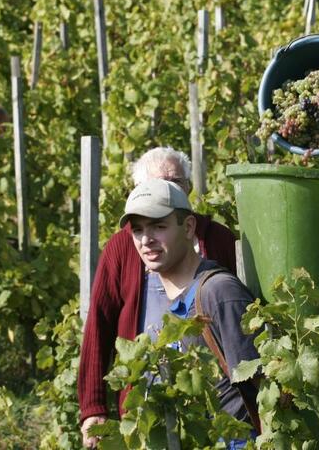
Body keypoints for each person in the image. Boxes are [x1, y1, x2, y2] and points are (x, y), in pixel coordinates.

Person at [78, 147, 239, 447]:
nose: (165, 190)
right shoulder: (124, 247)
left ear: (188, 188)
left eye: (175, 182)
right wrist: (93, 406)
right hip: (146, 407)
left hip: (213, 407)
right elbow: (99, 323)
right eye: (154, 184)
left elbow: (237, 322)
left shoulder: (218, 240)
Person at [116, 179, 259, 443]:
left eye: (159, 226)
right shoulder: (157, 299)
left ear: (189, 227)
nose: (146, 240)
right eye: (137, 230)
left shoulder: (219, 293)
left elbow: (263, 391)